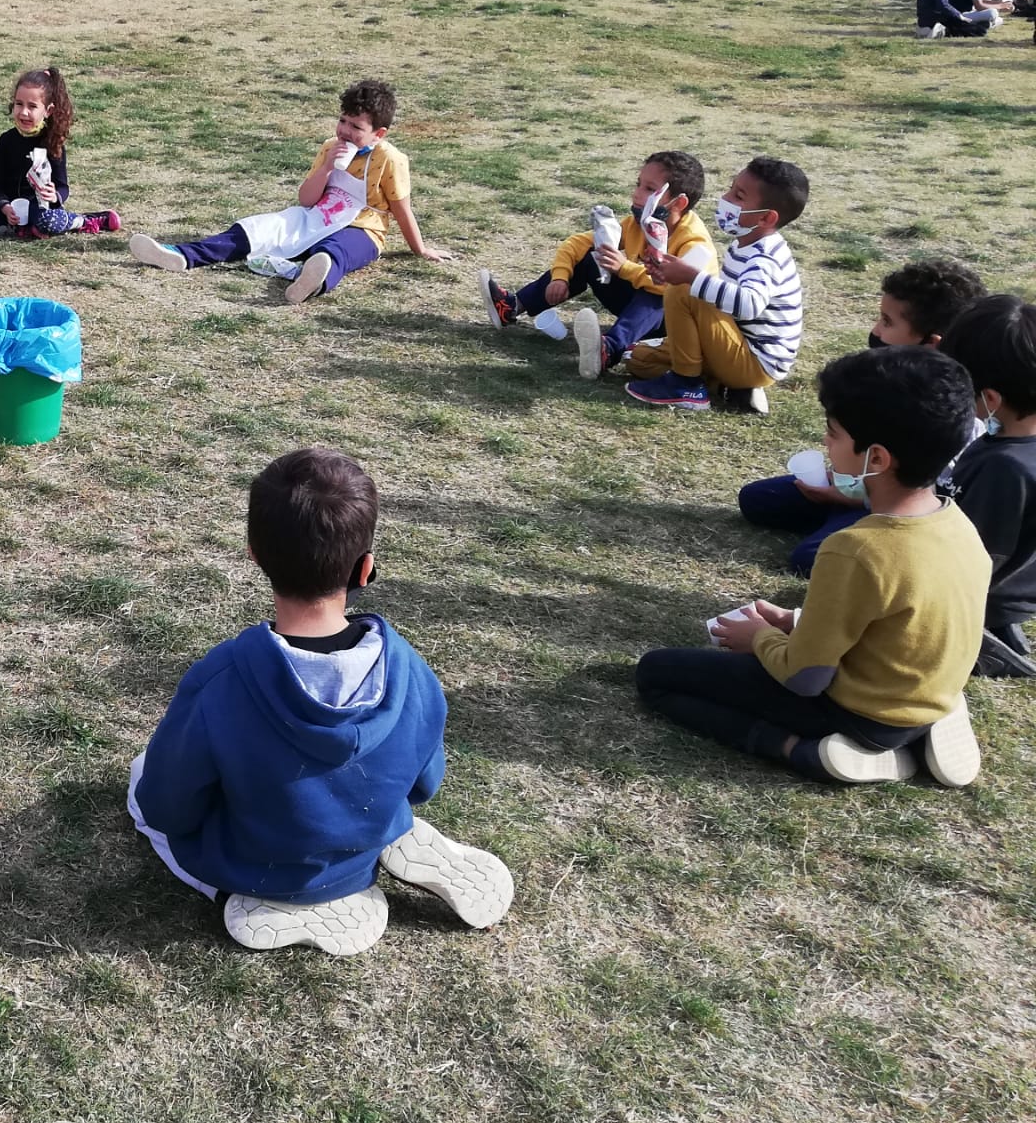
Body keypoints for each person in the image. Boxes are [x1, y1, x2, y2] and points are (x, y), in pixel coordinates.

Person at [129, 448, 512, 956]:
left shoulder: (221, 680)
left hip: (259, 860)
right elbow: (424, 784)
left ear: (254, 554)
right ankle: (383, 842)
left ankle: (252, 895)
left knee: (141, 782)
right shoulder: (413, 672)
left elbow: (166, 805)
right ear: (365, 568)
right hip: (362, 837)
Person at [635, 347, 987, 788]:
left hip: (858, 713)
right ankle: (928, 722)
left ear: (876, 458)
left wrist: (759, 638)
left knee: (656, 674)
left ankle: (804, 750)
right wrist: (797, 621)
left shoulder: (855, 548)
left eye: (833, 433)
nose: (825, 442)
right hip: (928, 693)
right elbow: (897, 618)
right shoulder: (957, 523)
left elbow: (805, 677)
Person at [740, 259, 985, 577]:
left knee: (811, 557)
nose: (876, 331)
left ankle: (855, 529)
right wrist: (843, 482)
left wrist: (857, 499)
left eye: (887, 322)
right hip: (860, 485)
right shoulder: (888, 375)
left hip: (892, 505)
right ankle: (846, 523)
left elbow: (928, 496)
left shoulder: (951, 408)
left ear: (931, 342)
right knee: (758, 498)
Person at [129, 79, 453, 305]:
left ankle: (311, 280)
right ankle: (181, 255)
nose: (345, 131)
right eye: (343, 121)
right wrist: (327, 167)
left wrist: (420, 249)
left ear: (378, 133)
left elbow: (401, 209)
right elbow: (307, 199)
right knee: (256, 229)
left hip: (363, 230)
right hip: (316, 216)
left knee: (333, 252)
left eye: (356, 127)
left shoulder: (390, 159)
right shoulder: (329, 147)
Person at [477, 150, 712, 378]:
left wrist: (624, 268)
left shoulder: (694, 243)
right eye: (638, 184)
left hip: (676, 325)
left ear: (679, 203)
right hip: (639, 307)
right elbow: (577, 243)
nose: (636, 194)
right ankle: (511, 306)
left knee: (657, 296)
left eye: (649, 189)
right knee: (592, 256)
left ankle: (609, 350)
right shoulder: (638, 223)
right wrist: (560, 277)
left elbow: (676, 290)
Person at [622, 157, 806, 414]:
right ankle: (729, 388)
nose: (725, 198)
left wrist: (690, 277)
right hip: (735, 347)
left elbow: (749, 305)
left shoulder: (765, 257)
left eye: (738, 196)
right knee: (638, 360)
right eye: (731, 188)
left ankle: (685, 385)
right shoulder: (744, 244)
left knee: (684, 289)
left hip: (755, 361)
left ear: (766, 218)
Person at [939, 294, 1036, 678]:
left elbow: (974, 558)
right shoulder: (1009, 444)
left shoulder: (1004, 468)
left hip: (985, 594)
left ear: (991, 399)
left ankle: (980, 643)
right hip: (1014, 589)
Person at [0, 67, 121, 238]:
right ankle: (18, 229)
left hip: (40, 209)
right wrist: (4, 206)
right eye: (19, 104)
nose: (24, 112)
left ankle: (84, 221)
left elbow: (63, 187)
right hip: (11, 211)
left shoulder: (52, 142)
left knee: (48, 222)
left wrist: (54, 196)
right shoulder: (6, 140)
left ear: (48, 111)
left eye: (32, 106)